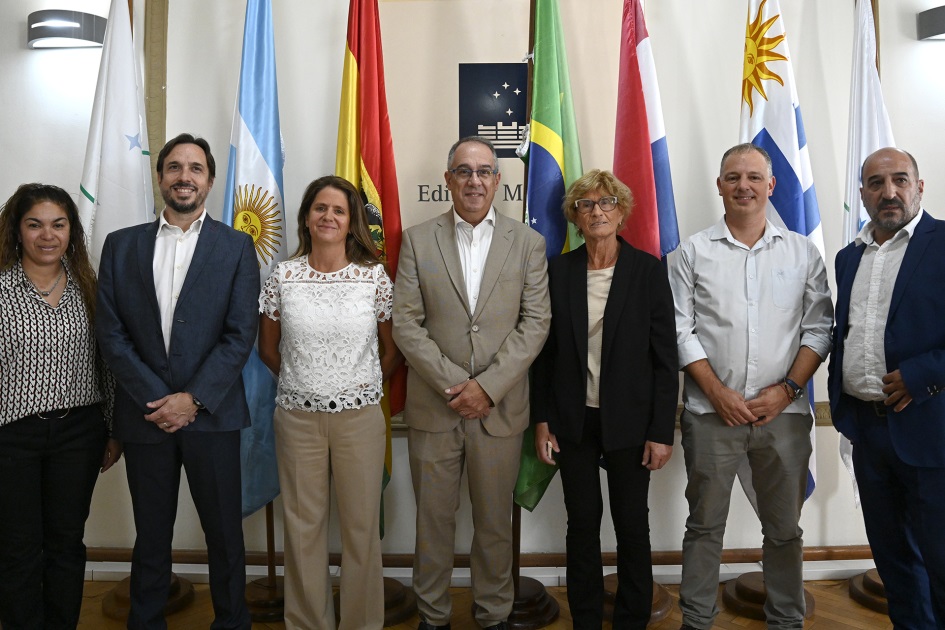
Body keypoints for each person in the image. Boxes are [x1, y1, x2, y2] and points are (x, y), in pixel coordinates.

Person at [96, 133, 258, 630]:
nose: (183, 176)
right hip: (145, 418)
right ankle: (146, 622)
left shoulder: (236, 247)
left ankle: (232, 622)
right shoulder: (121, 246)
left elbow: (239, 334)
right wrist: (158, 400)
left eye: (194, 168)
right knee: (151, 534)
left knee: (225, 534)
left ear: (209, 180)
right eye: (173, 167)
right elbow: (111, 333)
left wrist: (193, 399)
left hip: (213, 415)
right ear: (160, 175)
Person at [668, 143, 833, 630]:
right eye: (733, 177)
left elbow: (819, 329)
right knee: (704, 527)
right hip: (709, 414)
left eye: (753, 177)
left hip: (783, 417)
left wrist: (786, 391)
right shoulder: (692, 252)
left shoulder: (803, 253)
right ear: (719, 185)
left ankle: (786, 619)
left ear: (771, 185)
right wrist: (717, 393)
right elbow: (680, 329)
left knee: (784, 530)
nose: (744, 186)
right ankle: (696, 619)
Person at [392, 136, 550, 630]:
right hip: (435, 410)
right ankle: (433, 616)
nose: (474, 181)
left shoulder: (528, 244)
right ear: (448, 181)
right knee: (432, 524)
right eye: (464, 171)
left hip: (499, 412)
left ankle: (494, 615)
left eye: (484, 172)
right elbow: (405, 324)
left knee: (493, 526)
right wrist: (458, 385)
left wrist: (488, 388)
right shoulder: (418, 240)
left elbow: (536, 323)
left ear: (498, 182)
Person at [531, 170, 677, 629]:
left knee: (633, 527)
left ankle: (632, 620)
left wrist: (660, 431)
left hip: (631, 424)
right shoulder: (559, 270)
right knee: (582, 527)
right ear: (574, 215)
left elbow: (664, 359)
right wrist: (541, 419)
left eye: (606, 202)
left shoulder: (647, 270)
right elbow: (544, 355)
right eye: (586, 204)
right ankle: (587, 621)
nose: (597, 211)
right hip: (573, 422)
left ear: (622, 211)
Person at [257, 175, 402, 629]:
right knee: (303, 530)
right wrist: (306, 381)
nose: (329, 217)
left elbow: (392, 349)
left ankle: (361, 623)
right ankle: (307, 622)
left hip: (360, 418)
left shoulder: (373, 278)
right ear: (306, 217)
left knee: (361, 531)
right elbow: (267, 348)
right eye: (320, 208)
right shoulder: (283, 275)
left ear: (351, 221)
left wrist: (353, 383)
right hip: (298, 419)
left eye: (339, 210)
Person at [829, 147, 945, 629]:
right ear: (862, 194)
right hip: (869, 434)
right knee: (895, 563)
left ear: (920, 187)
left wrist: (923, 375)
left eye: (900, 180)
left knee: (940, 563)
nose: (889, 191)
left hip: (930, 433)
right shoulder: (847, 257)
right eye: (876, 183)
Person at [0, 183, 120, 629]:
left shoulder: (90, 288)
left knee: (67, 543)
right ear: (17, 230)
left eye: (58, 224)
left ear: (71, 231)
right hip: (12, 437)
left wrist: (113, 430)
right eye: (34, 224)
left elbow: (107, 365)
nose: (47, 235)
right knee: (18, 548)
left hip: (79, 435)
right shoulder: (1, 289)